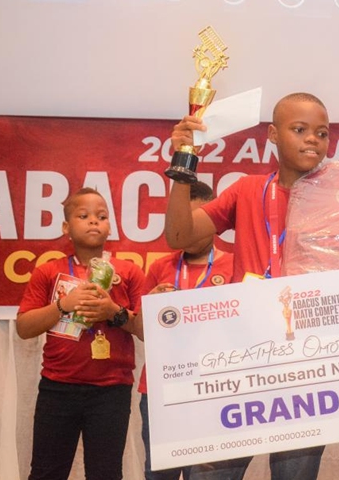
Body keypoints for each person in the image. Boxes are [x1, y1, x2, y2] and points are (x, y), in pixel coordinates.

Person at [164, 92, 330, 480]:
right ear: (272, 134)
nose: (312, 140)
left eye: (321, 133)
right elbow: (178, 236)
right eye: (300, 129)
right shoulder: (247, 191)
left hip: (308, 363)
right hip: (241, 360)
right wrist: (182, 164)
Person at [16, 187, 145, 480]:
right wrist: (64, 304)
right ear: (66, 227)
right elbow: (24, 327)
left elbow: (146, 331)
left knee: (106, 473)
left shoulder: (128, 271)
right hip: (57, 388)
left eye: (101, 216)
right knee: (47, 472)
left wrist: (113, 312)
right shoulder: (49, 272)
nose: (93, 222)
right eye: (83, 216)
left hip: (112, 391)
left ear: (109, 226)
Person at [137, 181, 235, 480]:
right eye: (183, 222)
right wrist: (150, 309)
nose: (189, 229)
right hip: (160, 392)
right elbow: (141, 331)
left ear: (215, 224)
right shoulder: (159, 268)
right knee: (158, 475)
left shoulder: (236, 266)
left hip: (214, 393)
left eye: (197, 222)